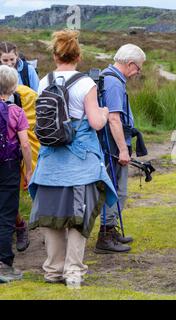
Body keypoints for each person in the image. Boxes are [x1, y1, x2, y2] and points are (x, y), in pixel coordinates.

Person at [28, 30, 117, 288]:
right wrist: (104, 110)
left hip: (49, 164)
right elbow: (97, 123)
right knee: (79, 219)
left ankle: (53, 270)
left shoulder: (44, 81)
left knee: (52, 217)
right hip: (80, 165)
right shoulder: (86, 84)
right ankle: (73, 272)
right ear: (78, 56)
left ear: (55, 56)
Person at [94, 44, 146, 254]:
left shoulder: (107, 77)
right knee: (117, 190)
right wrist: (123, 150)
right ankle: (105, 237)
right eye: (139, 67)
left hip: (109, 143)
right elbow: (114, 119)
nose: (138, 72)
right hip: (113, 145)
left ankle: (110, 230)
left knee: (114, 189)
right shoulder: (114, 83)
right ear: (130, 64)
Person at [0, 65, 32, 284]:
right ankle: (4, 266)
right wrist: (28, 171)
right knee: (6, 216)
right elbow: (26, 145)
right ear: (13, 88)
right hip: (9, 167)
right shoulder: (16, 112)